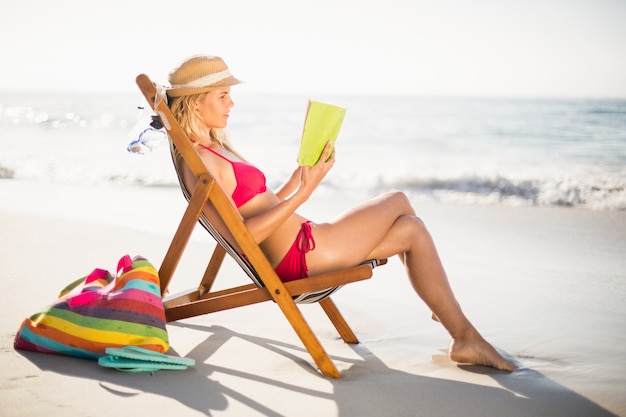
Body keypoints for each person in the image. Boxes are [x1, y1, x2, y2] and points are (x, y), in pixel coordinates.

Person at [164, 54, 517, 372]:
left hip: (306, 244)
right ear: (196, 103)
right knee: (397, 199)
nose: (232, 103)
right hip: (303, 256)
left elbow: (261, 203)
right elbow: (245, 236)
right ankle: (446, 310)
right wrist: (306, 191)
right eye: (223, 95)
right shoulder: (203, 164)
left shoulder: (214, 148)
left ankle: (461, 334)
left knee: (412, 229)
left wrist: (298, 176)